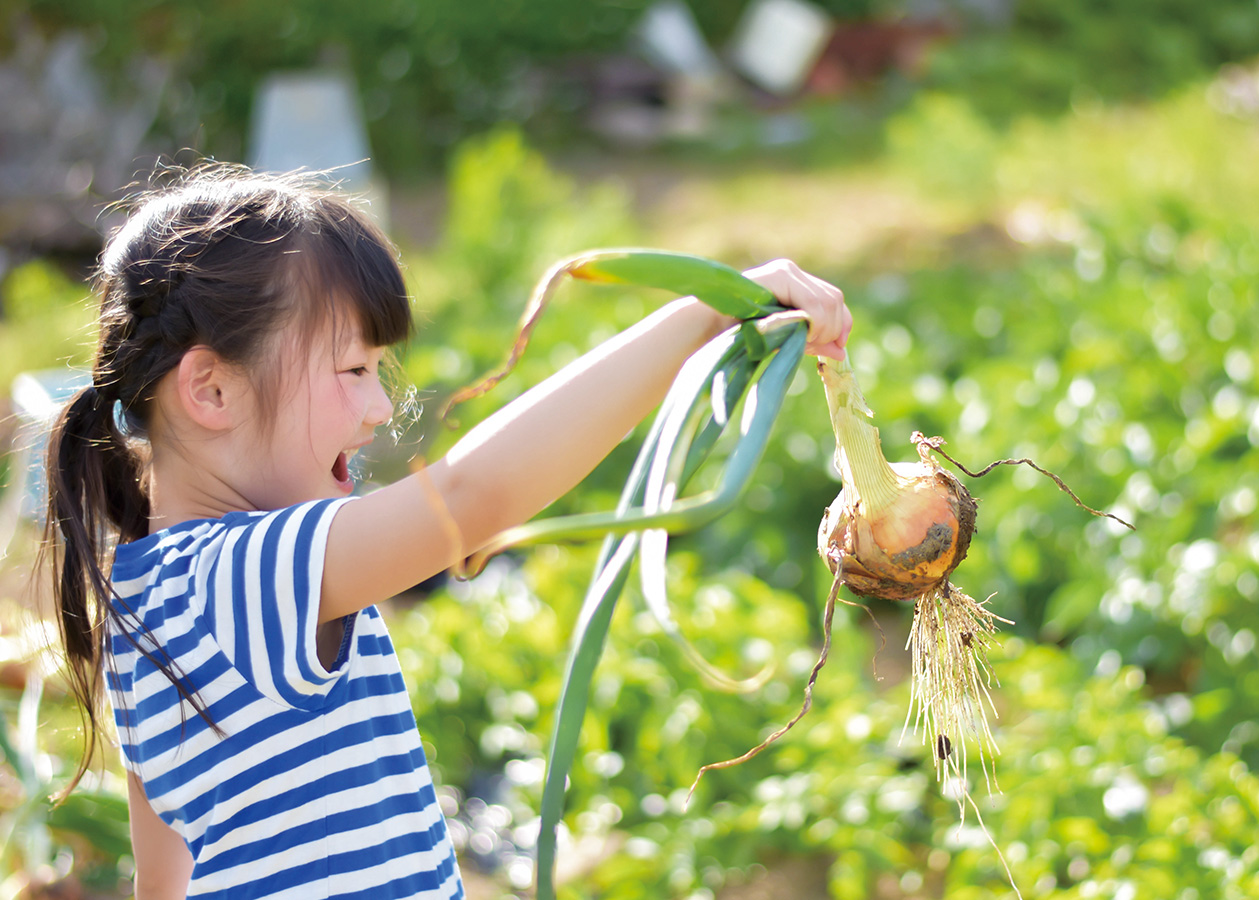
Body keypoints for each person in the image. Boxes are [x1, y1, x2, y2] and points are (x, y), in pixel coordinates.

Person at [43, 165, 852, 899]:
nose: (379, 409)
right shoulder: (244, 574)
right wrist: (700, 316)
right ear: (211, 390)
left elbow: (163, 881)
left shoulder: (144, 593)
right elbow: (469, 498)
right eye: (353, 370)